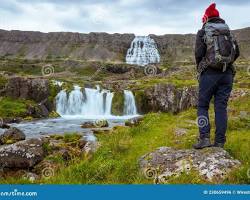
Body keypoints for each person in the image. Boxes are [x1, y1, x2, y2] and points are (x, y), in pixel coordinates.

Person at [193, 3, 240, 149]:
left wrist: (201, 67)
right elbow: (236, 53)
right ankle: (219, 142)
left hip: (209, 74)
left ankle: (204, 138)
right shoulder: (228, 32)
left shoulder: (203, 32)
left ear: (206, 18)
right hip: (227, 75)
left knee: (202, 106)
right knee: (220, 107)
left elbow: (198, 54)